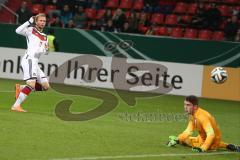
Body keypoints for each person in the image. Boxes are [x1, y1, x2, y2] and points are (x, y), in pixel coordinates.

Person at [167, 95, 240, 152]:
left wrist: (203, 148)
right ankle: (228, 146)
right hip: (203, 138)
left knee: (186, 142)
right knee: (184, 139)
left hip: (212, 140)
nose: (185, 107)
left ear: (195, 107)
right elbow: (188, 131)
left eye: (188, 105)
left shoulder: (202, 116)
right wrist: (178, 139)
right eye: (185, 104)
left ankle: (223, 145)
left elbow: (211, 134)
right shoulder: (193, 115)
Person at [12, 13, 50, 112]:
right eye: (40, 20)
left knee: (45, 86)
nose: (42, 22)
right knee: (32, 84)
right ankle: (16, 106)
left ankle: (21, 88)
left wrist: (45, 50)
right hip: (29, 60)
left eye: (44, 21)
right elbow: (17, 30)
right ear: (36, 21)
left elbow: (44, 51)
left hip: (35, 63)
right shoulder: (31, 30)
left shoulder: (45, 36)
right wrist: (29, 22)